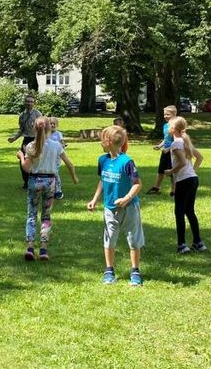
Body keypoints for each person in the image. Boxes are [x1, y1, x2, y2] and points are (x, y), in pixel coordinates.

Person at [87, 125, 144, 286]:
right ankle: (109, 270)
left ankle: (135, 272)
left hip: (129, 208)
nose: (100, 142)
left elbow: (137, 183)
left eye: (101, 139)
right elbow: (102, 180)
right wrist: (95, 199)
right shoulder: (103, 160)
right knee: (109, 239)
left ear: (109, 141)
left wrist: (127, 198)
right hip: (109, 208)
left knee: (133, 240)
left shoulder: (126, 162)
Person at [18, 117, 77, 261]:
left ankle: (30, 248)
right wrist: (74, 178)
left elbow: (26, 168)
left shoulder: (31, 146)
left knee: (32, 214)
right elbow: (69, 164)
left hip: (34, 181)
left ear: (34, 128)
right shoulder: (56, 145)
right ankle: (43, 250)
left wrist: (21, 156)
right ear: (49, 128)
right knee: (46, 215)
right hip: (50, 181)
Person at [167, 117, 206, 253]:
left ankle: (182, 245)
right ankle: (198, 242)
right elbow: (199, 157)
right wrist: (192, 171)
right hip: (192, 179)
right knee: (189, 211)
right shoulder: (185, 141)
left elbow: (182, 163)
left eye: (169, 126)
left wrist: (171, 171)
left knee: (179, 212)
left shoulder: (176, 144)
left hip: (184, 180)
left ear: (173, 129)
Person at [7, 95, 42, 189]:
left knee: (36, 161)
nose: (29, 103)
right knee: (23, 159)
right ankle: (26, 182)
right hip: (26, 140)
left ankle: (37, 181)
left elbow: (42, 129)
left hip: (36, 139)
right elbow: (21, 130)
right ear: (24, 103)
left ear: (34, 103)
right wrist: (14, 138)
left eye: (31, 102)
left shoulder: (38, 114)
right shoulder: (22, 115)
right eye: (27, 101)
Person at [148, 105, 177, 195]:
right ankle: (156, 188)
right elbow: (166, 139)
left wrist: (169, 148)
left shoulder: (176, 126)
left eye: (168, 114)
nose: (165, 116)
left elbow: (177, 140)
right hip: (165, 151)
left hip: (174, 152)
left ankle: (174, 191)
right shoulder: (165, 126)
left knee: (172, 171)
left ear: (174, 115)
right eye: (165, 114)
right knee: (161, 170)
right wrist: (160, 146)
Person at [47, 117, 68, 199]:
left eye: (54, 124)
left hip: (56, 157)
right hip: (48, 156)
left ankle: (58, 190)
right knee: (49, 173)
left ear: (57, 125)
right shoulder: (46, 134)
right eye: (50, 123)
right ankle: (50, 189)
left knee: (55, 173)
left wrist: (63, 146)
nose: (52, 125)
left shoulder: (58, 134)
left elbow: (62, 143)